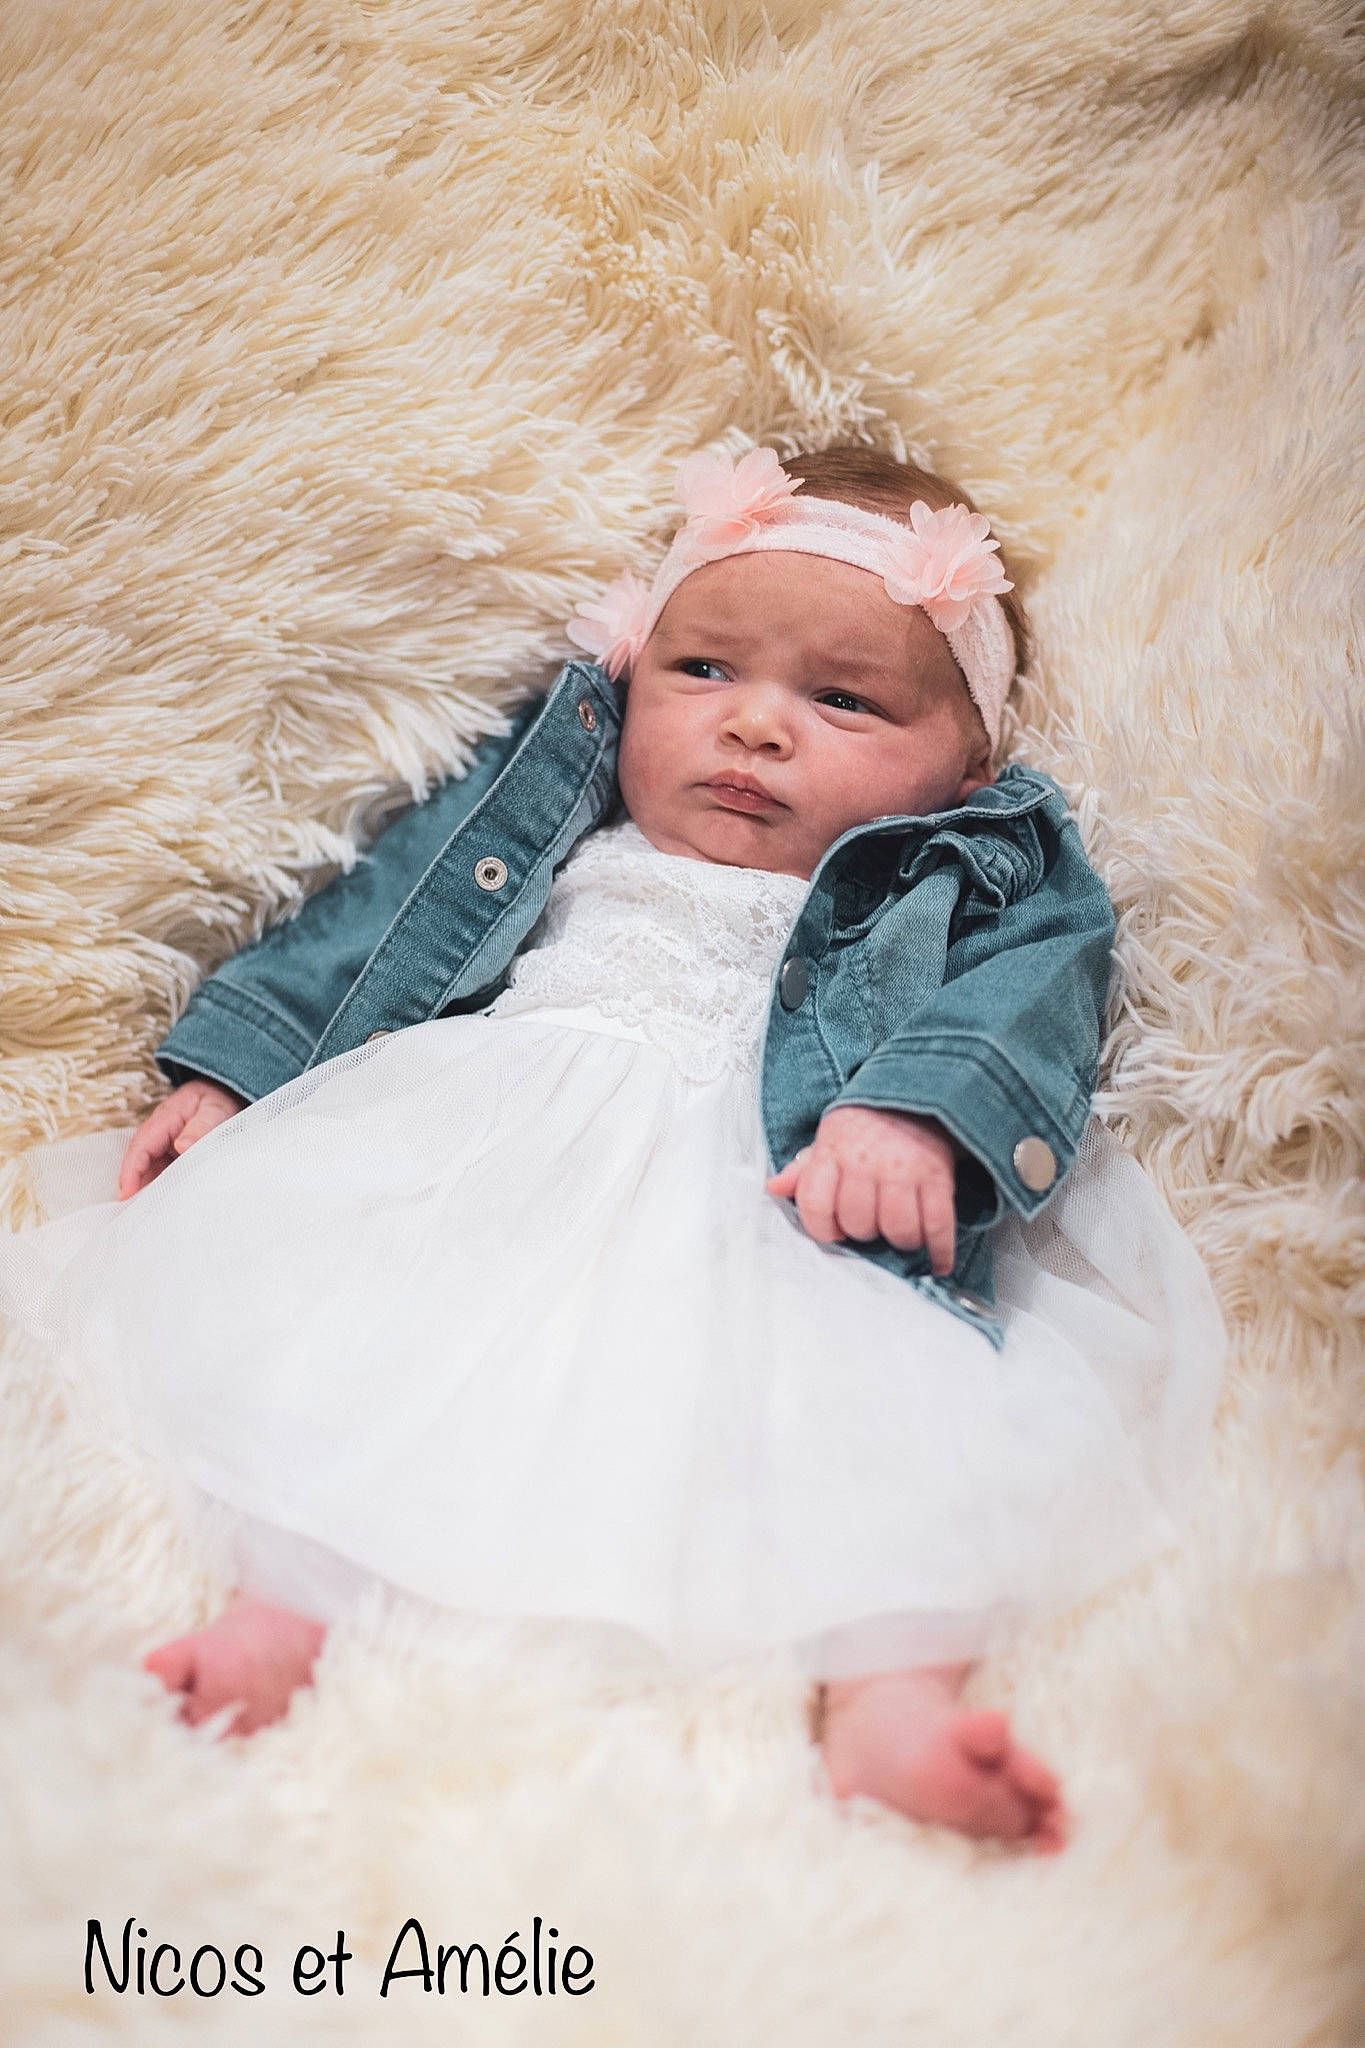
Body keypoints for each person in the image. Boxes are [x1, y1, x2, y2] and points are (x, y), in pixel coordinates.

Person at [0, 443, 1227, 1856]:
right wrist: (248, 1067)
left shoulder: (974, 862)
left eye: (841, 699)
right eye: (703, 672)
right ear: (629, 675)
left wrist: (917, 1111)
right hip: (495, 1154)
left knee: (890, 1433)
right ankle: (275, 1616)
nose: (756, 728)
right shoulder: (560, 810)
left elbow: (1038, 990)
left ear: (965, 763)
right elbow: (384, 923)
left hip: (795, 1205)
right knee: (375, 1349)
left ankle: (889, 1708)